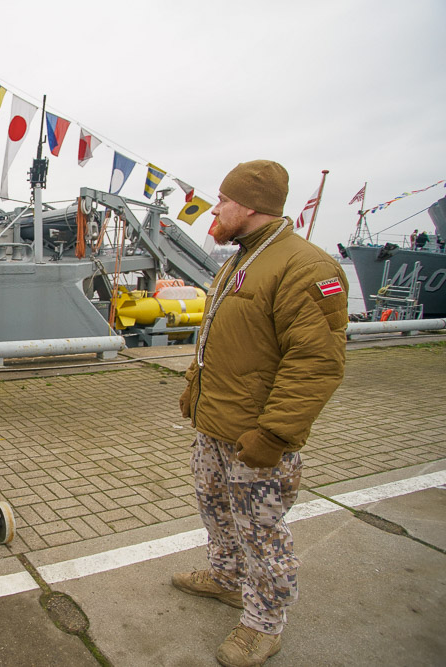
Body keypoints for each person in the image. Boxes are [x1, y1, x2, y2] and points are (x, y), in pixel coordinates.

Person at [176, 160, 348, 667]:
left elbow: (316, 362)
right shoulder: (242, 258)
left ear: (250, 206)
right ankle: (227, 579)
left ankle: (264, 624)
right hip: (217, 427)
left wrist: (274, 434)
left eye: (223, 201)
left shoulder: (306, 267)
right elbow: (221, 336)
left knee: (262, 535)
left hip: (255, 438)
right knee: (216, 512)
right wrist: (194, 388)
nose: (216, 208)